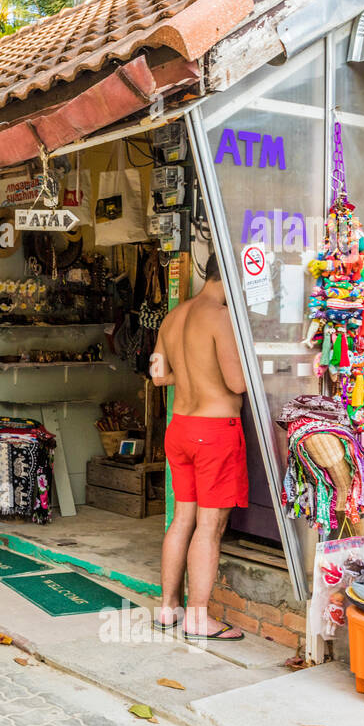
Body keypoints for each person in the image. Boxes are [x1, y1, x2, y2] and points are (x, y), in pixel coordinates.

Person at [150, 252, 249, 641]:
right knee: (210, 526)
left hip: (180, 428)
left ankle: (167, 608)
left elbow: (158, 376)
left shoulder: (173, 316)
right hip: (215, 432)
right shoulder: (219, 316)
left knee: (182, 519)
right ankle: (198, 618)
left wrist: (189, 372)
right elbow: (238, 383)